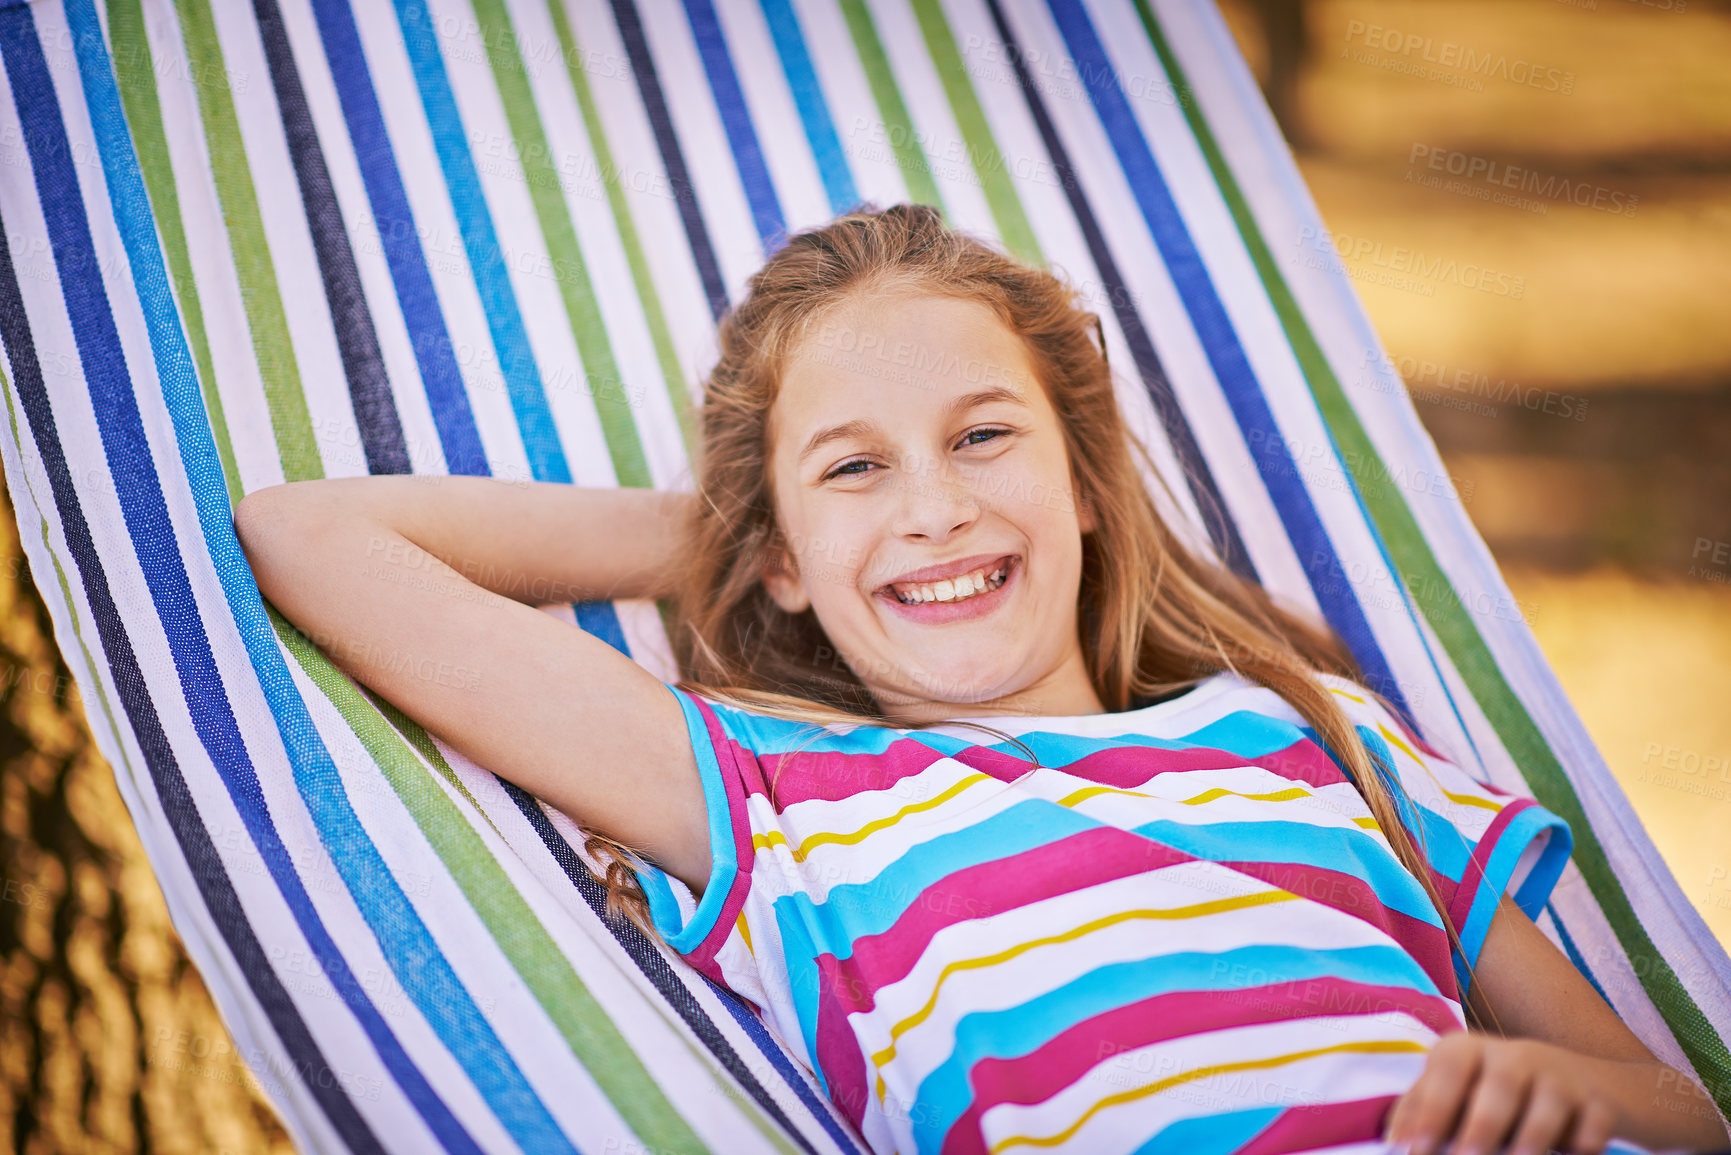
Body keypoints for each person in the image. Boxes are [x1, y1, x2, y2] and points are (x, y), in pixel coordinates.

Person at [235, 203, 1728, 1155]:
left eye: (981, 437)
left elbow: (1681, 1106)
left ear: (1084, 479)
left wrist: (1577, 1097)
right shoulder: (784, 801)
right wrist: (731, 534)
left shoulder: (1313, 743)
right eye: (857, 468)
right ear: (780, 563)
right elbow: (312, 536)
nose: (934, 507)